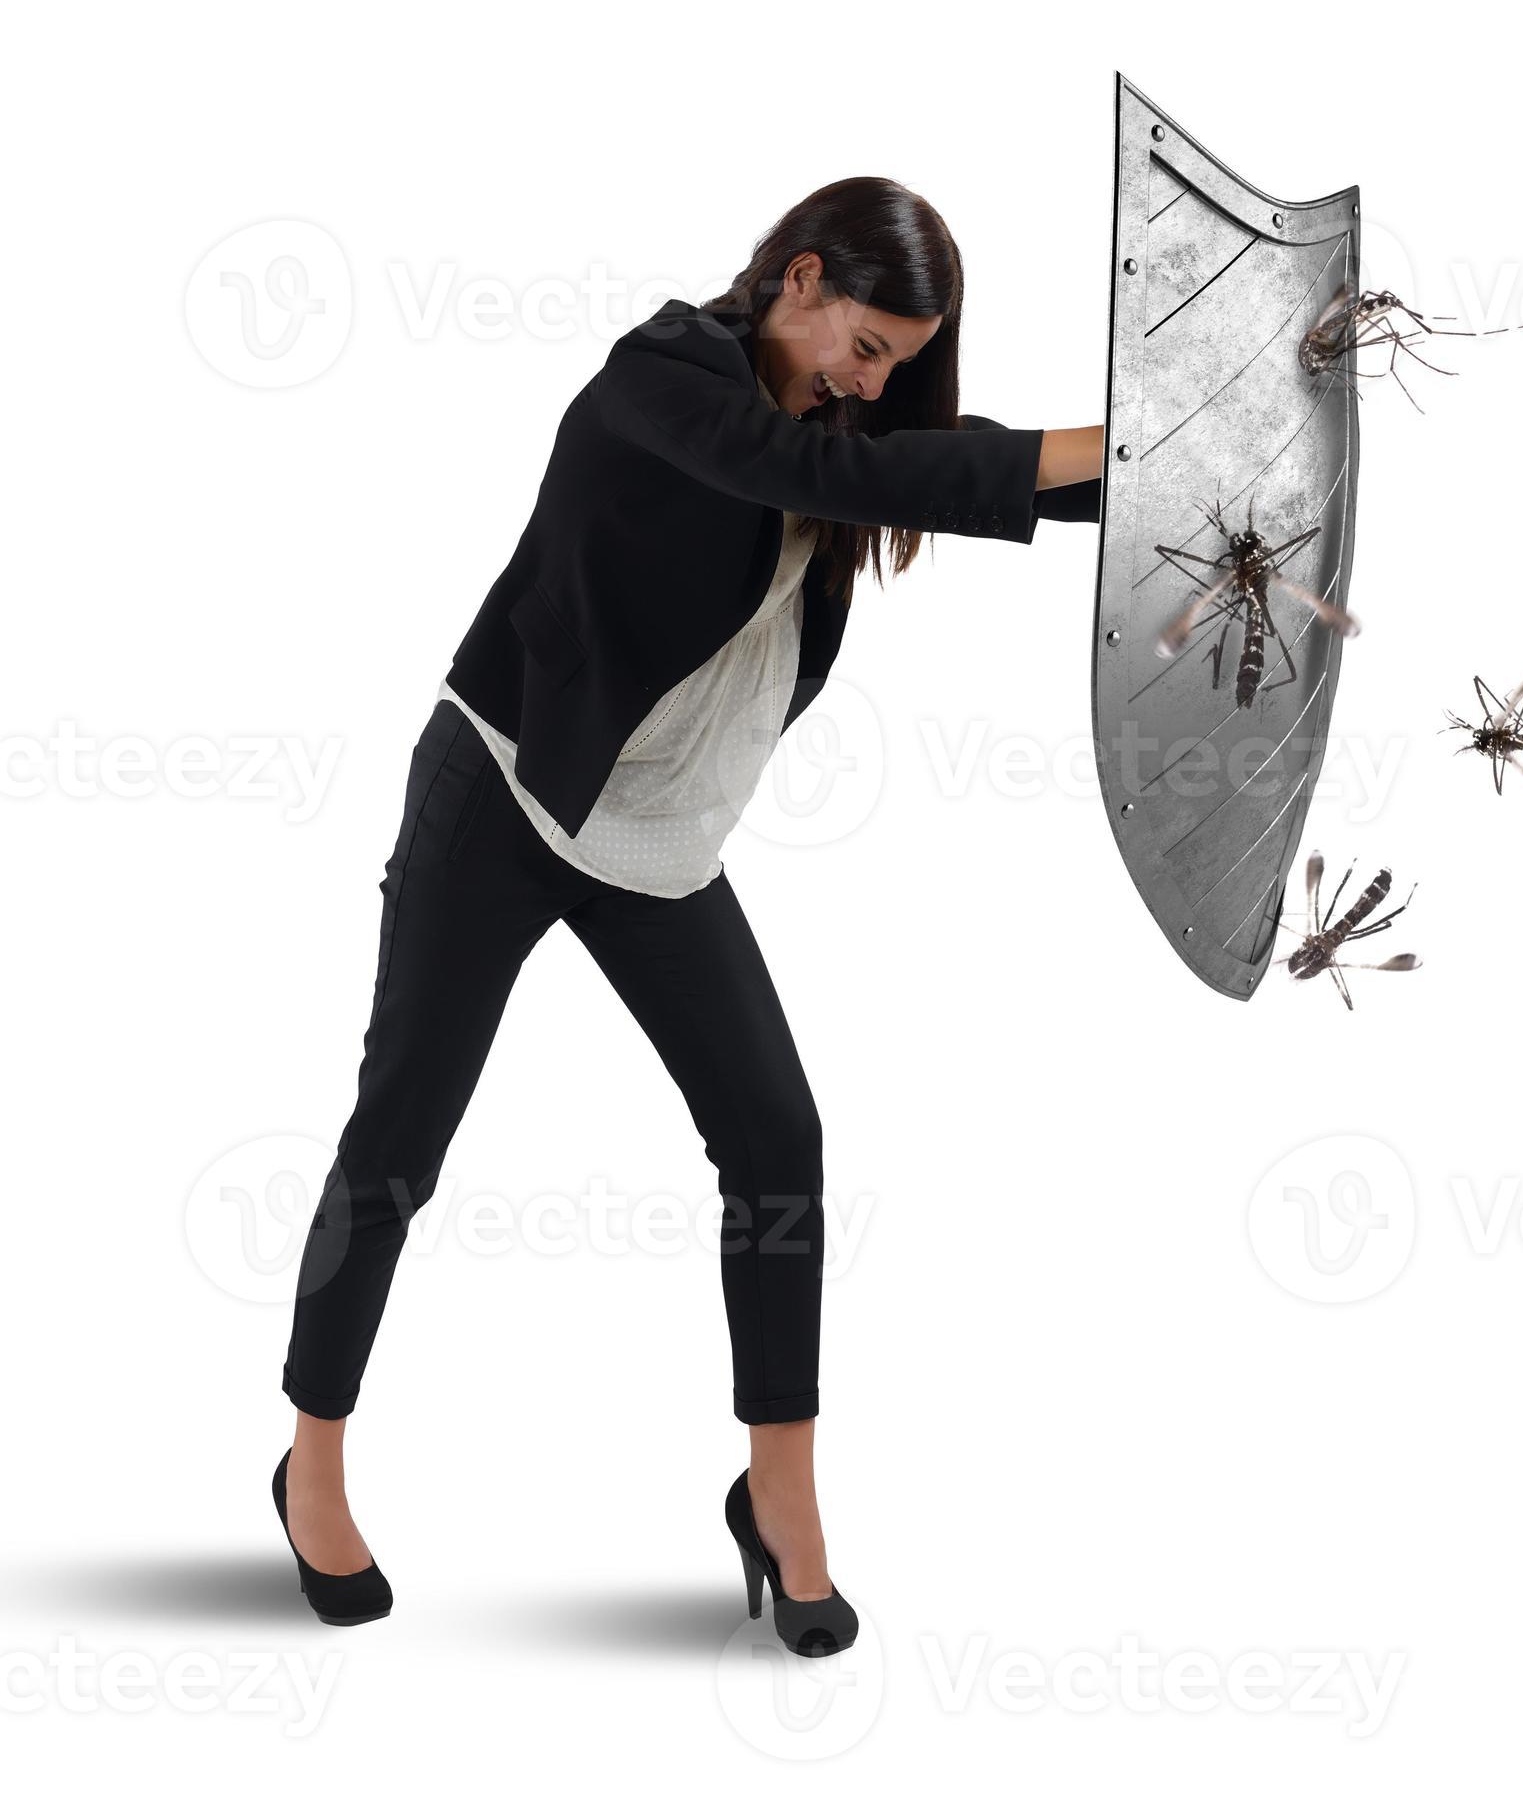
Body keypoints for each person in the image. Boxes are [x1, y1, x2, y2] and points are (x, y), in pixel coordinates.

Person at [270, 176, 1105, 1653]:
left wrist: (1190, 471)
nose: (874, 383)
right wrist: (1080, 449)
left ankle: (777, 1489)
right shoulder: (663, 377)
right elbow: (857, 481)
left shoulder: (847, 427)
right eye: (864, 346)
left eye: (898, 367)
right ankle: (313, 1456)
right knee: (400, 1124)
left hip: (652, 840)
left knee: (777, 1136)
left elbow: (956, 467)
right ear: (797, 279)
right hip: (510, 790)